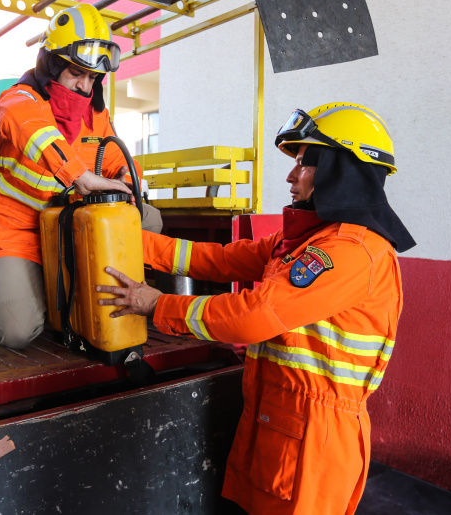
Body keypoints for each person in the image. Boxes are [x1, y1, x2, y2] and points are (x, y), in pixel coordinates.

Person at [97, 103, 415, 514]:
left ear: (341, 169)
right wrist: (121, 232)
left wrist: (157, 305)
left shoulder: (352, 252)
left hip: (314, 438)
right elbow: (218, 260)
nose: (290, 175)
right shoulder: (305, 241)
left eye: (303, 163)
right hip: (279, 420)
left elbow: (253, 316)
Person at [0, 3, 162, 349]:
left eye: (92, 77)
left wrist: (127, 179)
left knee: (148, 218)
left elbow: (118, 160)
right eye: (77, 73)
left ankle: (89, 291)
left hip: (70, 230)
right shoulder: (17, 101)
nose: (84, 86)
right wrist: (83, 178)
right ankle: (15, 289)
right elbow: (41, 135)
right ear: (53, 65)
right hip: (19, 234)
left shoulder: (96, 114)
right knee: (15, 333)